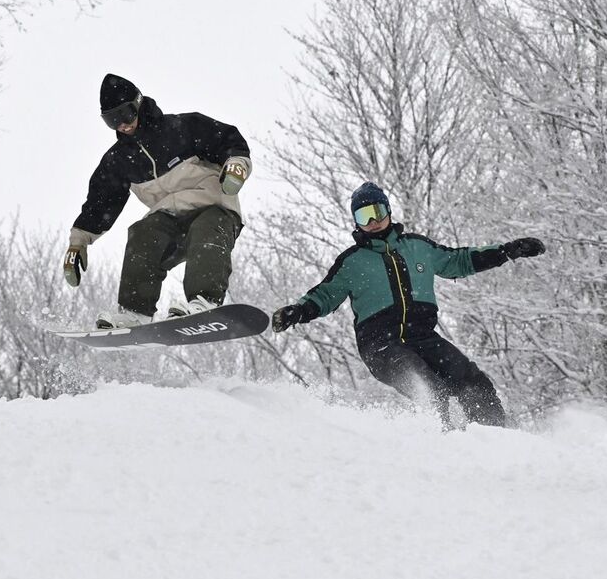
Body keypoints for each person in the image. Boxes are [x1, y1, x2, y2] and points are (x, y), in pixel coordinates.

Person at [271, 182, 545, 428]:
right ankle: (441, 443)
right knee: (427, 386)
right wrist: (297, 312)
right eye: (364, 217)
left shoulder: (418, 247)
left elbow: (460, 261)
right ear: (356, 223)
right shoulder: (352, 262)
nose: (373, 221)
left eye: (377, 212)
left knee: (471, 379)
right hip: (380, 344)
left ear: (388, 211)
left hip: (422, 336)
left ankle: (495, 437)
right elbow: (325, 295)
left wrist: (507, 251)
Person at [62, 73, 253, 328]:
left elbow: (229, 140)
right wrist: (78, 243)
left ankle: (203, 300)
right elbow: (100, 203)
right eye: (112, 121)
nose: (122, 125)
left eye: (126, 114)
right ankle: (135, 312)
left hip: (213, 206)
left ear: (138, 103)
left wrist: (236, 165)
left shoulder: (183, 128)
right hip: (170, 219)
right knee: (144, 233)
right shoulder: (119, 160)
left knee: (206, 229)